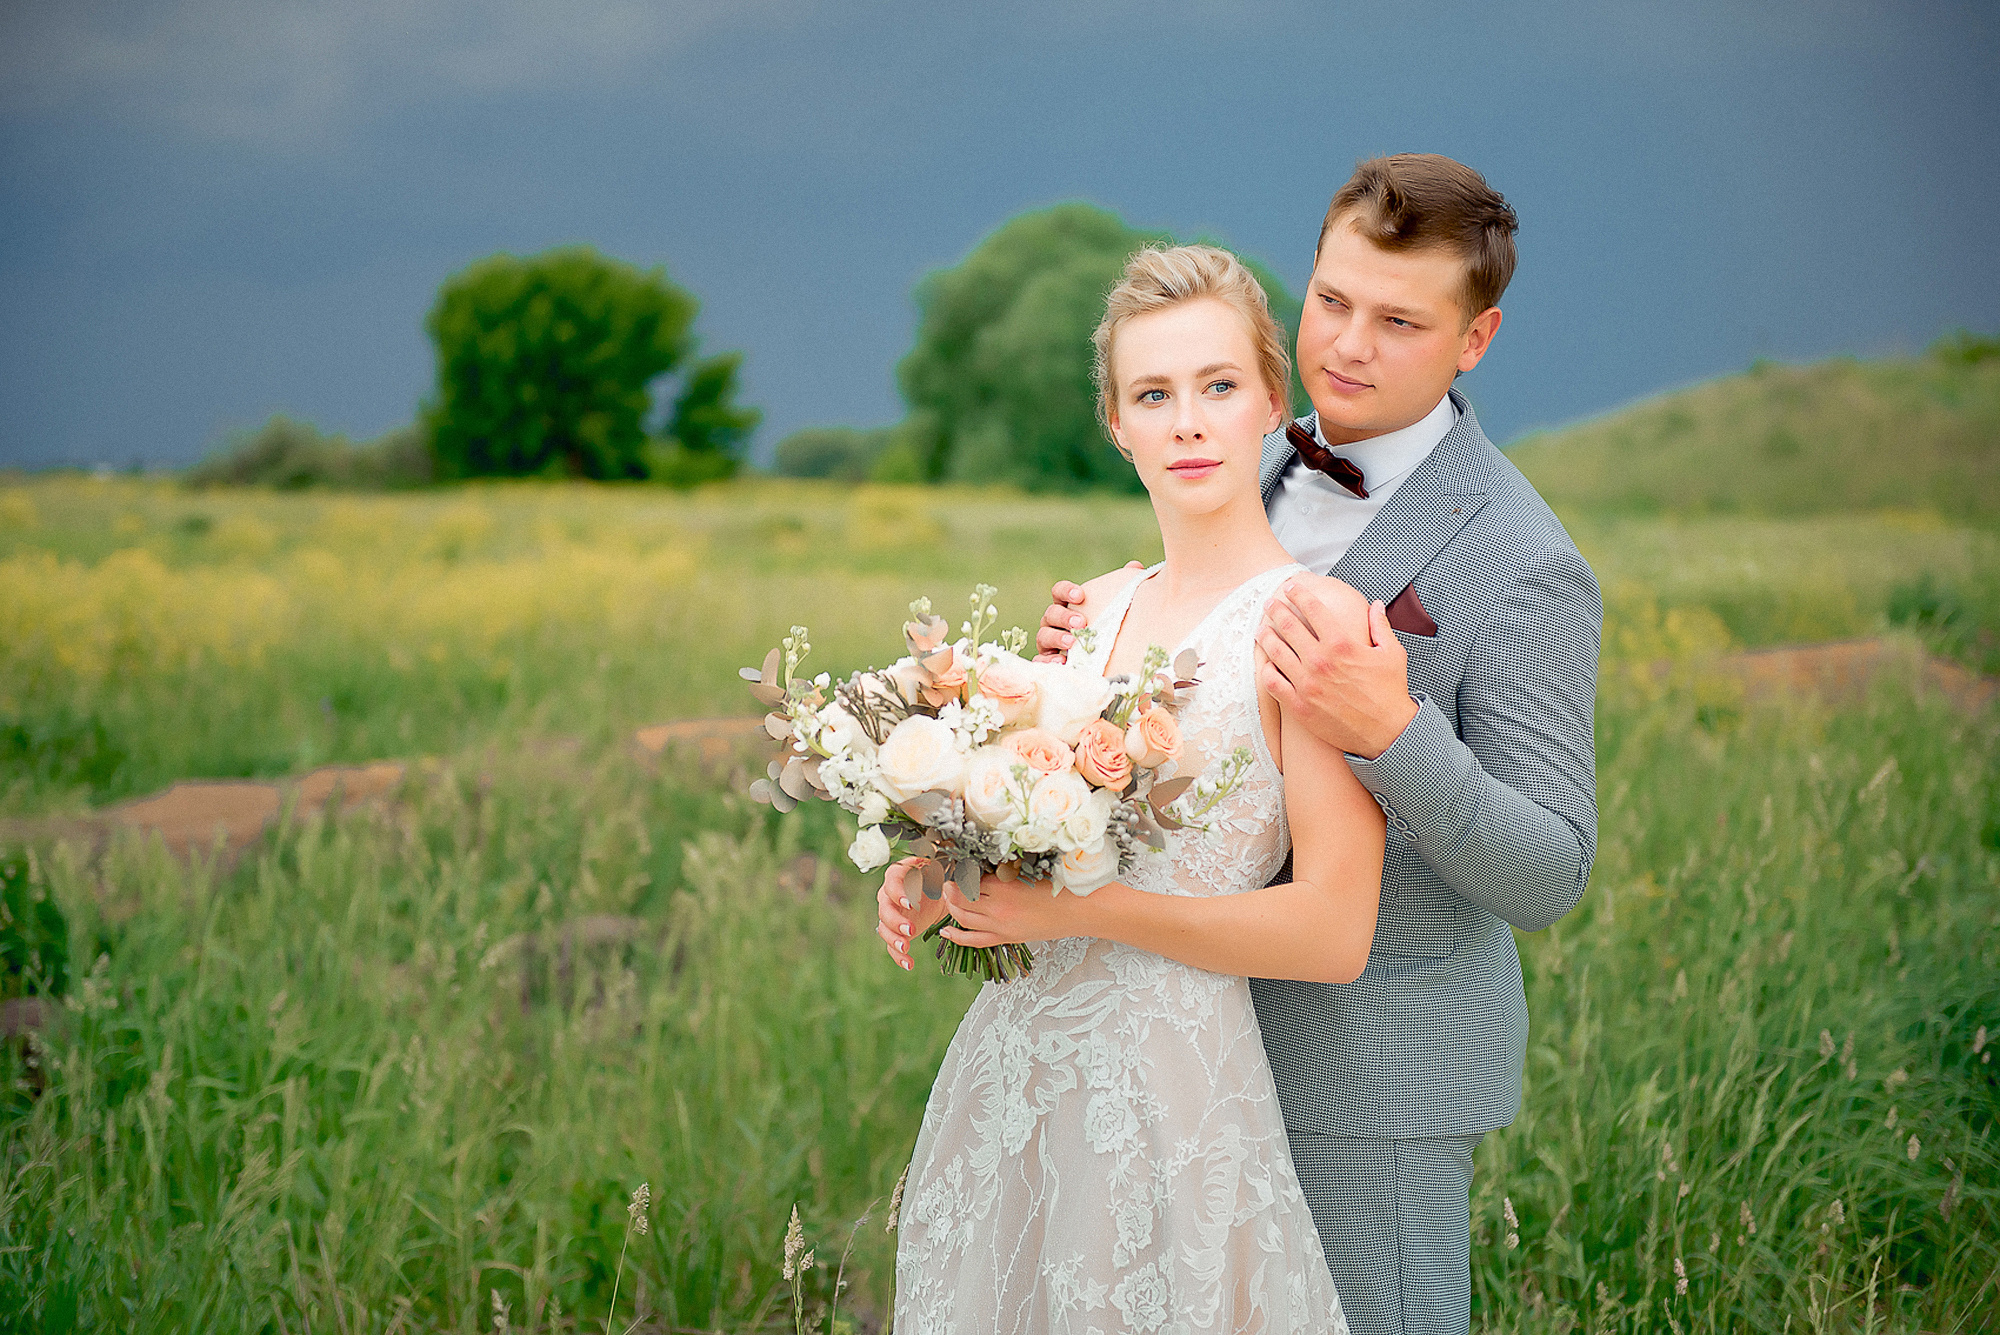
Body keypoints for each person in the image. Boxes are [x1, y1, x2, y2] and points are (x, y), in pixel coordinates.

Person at [926, 155, 1603, 1335]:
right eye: (1331, 301)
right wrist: (1065, 694)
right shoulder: (1245, 439)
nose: (1348, 345)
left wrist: (1390, 733)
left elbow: (1550, 870)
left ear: (1473, 339)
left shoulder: (1521, 559)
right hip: (1152, 1043)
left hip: (1367, 1069)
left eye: (1399, 321)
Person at [881, 243, 1388, 1332]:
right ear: (1115, 424)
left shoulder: (1311, 625)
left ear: (1270, 401)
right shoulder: (1095, 610)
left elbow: (1334, 928)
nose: (1188, 423)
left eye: (1216, 386)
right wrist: (942, 868)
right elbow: (1048, 835)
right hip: (1012, 1079)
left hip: (1169, 1092)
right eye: (1152, 395)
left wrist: (1084, 911)